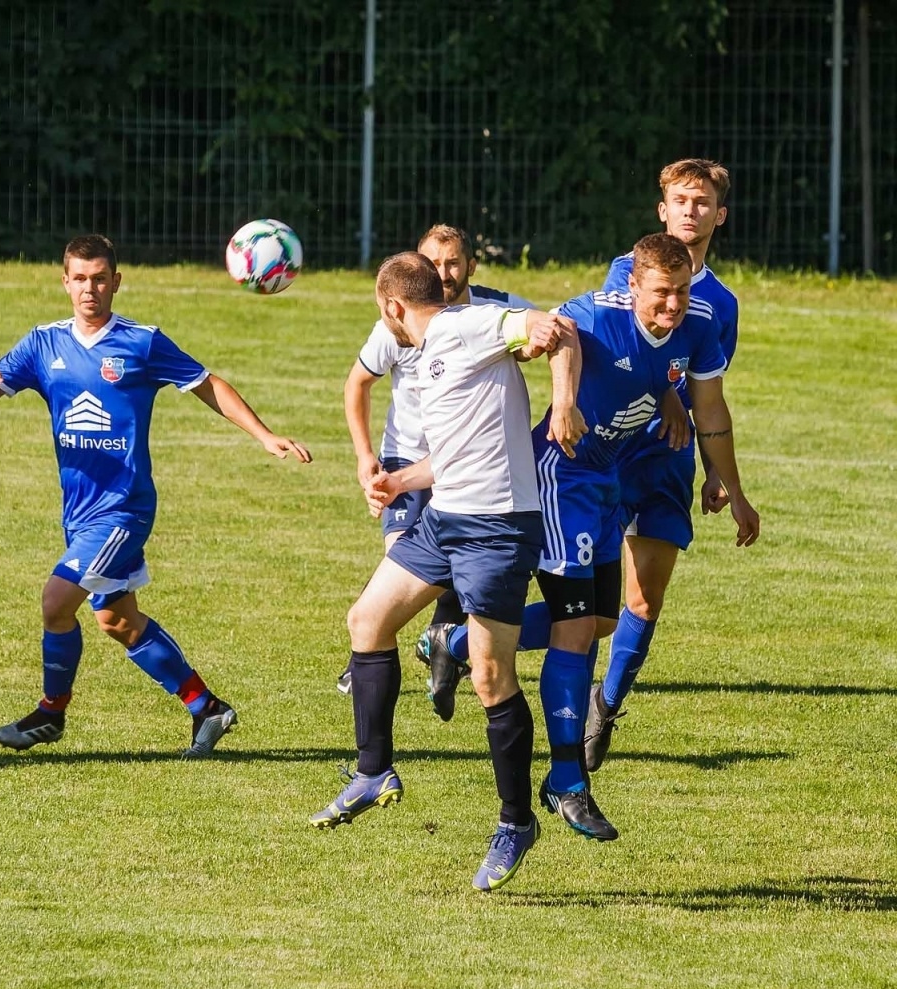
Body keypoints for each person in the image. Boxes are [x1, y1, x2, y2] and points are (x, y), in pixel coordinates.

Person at [426, 232, 756, 841]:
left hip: (608, 476)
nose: (672, 306)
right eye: (661, 293)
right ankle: (568, 782)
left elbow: (709, 405)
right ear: (633, 285)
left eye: (682, 292)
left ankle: (460, 641)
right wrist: (564, 400)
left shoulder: (697, 325)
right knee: (576, 629)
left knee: (601, 620)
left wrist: (730, 486)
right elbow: (561, 336)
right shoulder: (596, 311)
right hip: (563, 471)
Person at [0, 234, 311, 758]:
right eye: (79, 278)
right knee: (118, 620)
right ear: (64, 283)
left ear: (116, 282)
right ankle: (207, 708)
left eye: (99, 278)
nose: (89, 289)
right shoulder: (43, 344)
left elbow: (206, 383)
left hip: (123, 509)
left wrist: (263, 435)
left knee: (56, 603)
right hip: (79, 511)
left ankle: (50, 714)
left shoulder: (141, 342)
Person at [309, 250, 583, 893]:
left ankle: (516, 822)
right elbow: (460, 448)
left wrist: (559, 385)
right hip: (443, 517)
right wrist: (398, 478)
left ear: (392, 307)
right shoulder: (435, 348)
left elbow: (557, 328)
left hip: (495, 528)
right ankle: (374, 771)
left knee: (490, 677)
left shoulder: (468, 324)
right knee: (368, 619)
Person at [586, 159, 749, 768]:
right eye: (680, 200)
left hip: (667, 461)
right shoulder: (627, 272)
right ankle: (460, 638)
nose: (690, 211)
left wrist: (722, 478)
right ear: (662, 209)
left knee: (644, 600)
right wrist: (665, 395)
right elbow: (617, 352)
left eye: (702, 202)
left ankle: (604, 708)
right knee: (585, 603)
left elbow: (709, 392)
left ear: (719, 215)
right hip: (607, 450)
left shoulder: (721, 305)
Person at [341, 224, 534, 717]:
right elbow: (357, 384)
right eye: (433, 265)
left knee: (455, 562)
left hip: (474, 464)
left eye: (453, 263)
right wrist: (367, 456)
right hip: (409, 459)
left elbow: (547, 332)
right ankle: (374, 650)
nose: (443, 274)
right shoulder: (398, 318)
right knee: (403, 562)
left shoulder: (493, 310)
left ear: (470, 265)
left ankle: (445, 641)